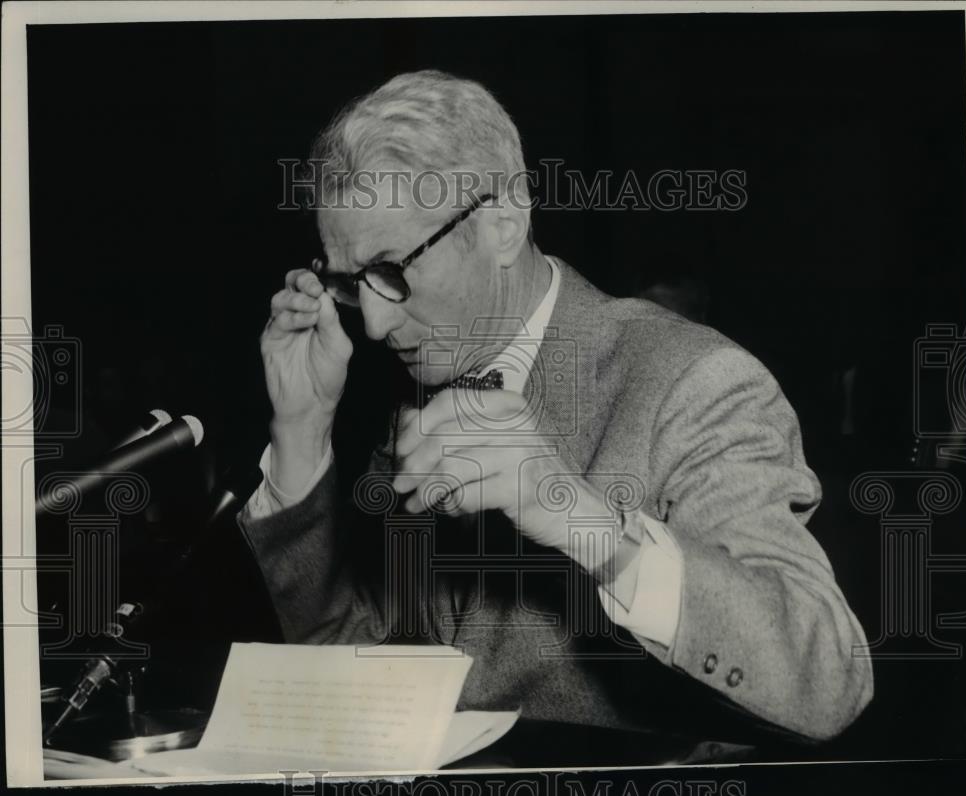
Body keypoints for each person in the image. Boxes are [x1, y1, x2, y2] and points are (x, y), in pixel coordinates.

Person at [237, 70, 873, 745]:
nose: (372, 323)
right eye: (350, 283)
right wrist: (301, 433)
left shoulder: (694, 381)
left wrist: (584, 521)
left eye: (392, 271)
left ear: (504, 225)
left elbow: (828, 682)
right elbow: (356, 677)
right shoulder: (416, 394)